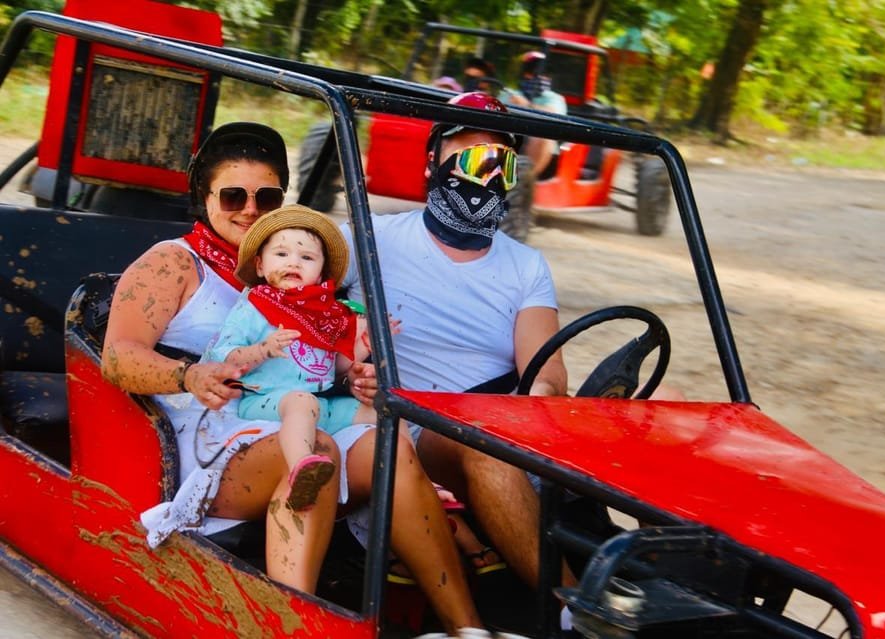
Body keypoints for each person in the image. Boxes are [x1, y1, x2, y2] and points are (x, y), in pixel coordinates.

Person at [101, 123, 484, 634]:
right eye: (233, 195)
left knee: (386, 447)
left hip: (293, 413)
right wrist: (189, 374)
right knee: (317, 447)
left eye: (268, 196)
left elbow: (326, 356)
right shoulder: (175, 262)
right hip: (204, 435)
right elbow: (116, 356)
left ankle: (468, 626)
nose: (250, 209)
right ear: (204, 196)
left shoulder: (296, 269)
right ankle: (294, 625)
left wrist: (355, 379)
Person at [340, 91, 576, 594]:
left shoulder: (525, 265)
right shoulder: (369, 238)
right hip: (410, 424)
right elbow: (289, 275)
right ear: (433, 162)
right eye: (467, 155)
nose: (482, 173)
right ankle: (573, 608)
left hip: (502, 420)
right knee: (487, 447)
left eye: (498, 162)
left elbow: (547, 370)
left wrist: (534, 407)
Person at [204, 204, 375, 512]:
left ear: (320, 273)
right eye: (281, 255)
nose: (294, 262)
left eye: (307, 257)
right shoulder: (255, 307)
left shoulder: (324, 315)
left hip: (316, 403)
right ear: (259, 265)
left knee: (380, 413)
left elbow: (329, 368)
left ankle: (421, 479)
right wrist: (262, 350)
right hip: (264, 403)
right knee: (300, 401)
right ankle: (302, 472)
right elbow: (224, 359)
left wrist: (361, 346)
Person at [499, 51, 567, 179]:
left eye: (545, 75)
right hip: (510, 139)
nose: (541, 78)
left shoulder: (555, 99)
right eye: (535, 73)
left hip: (541, 149)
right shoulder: (509, 94)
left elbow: (553, 114)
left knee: (543, 136)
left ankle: (525, 181)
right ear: (526, 74)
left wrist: (527, 105)